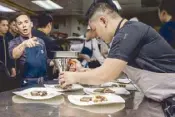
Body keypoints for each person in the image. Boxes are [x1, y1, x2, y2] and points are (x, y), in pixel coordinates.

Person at [59, 2, 175, 86]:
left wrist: (73, 77)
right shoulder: (125, 32)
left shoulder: (129, 31)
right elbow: (116, 72)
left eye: (94, 29)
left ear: (103, 21)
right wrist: (85, 72)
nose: (96, 35)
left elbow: (105, 75)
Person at [9, 13, 48, 86]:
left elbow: (46, 60)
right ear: (17, 28)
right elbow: (14, 55)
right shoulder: (14, 42)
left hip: (44, 82)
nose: (24, 25)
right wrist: (24, 44)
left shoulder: (40, 41)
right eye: (20, 23)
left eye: (26, 22)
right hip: (27, 83)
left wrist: (55, 62)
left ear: (31, 24)